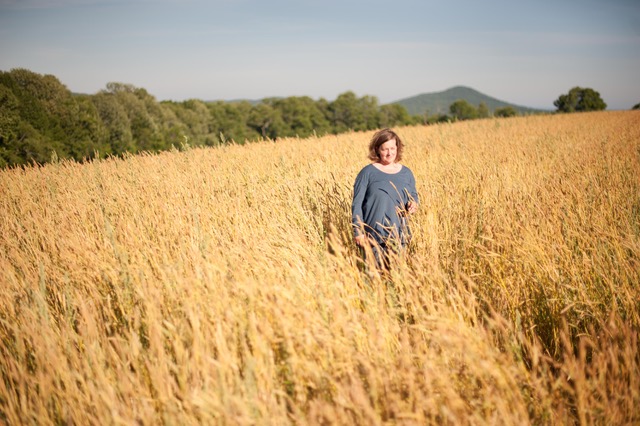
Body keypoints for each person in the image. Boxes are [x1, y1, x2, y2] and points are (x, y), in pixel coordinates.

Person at [351, 128, 419, 270]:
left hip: (399, 235)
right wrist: (358, 232)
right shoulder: (367, 173)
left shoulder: (406, 173)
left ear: (398, 148)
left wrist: (413, 204)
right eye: (385, 149)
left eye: (393, 148)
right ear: (377, 149)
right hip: (373, 237)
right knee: (374, 278)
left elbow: (413, 195)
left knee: (397, 278)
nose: (389, 153)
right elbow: (356, 205)